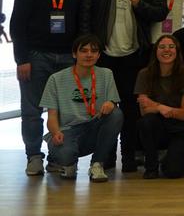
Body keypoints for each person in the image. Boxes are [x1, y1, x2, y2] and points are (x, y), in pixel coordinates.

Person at [81, 0, 167, 172]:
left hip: (134, 53)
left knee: (130, 108)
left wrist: (140, 5)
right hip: (104, 53)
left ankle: (127, 156)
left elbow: (161, 11)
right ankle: (106, 156)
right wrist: (88, 45)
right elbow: (86, 11)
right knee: (105, 106)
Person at [14, 0, 84, 177]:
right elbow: (17, 25)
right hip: (36, 57)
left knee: (65, 112)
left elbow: (80, 23)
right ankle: (33, 156)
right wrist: (21, 59)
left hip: (67, 58)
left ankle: (57, 157)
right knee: (33, 111)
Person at [39, 34, 122, 182]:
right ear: (74, 54)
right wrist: (56, 132)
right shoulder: (56, 79)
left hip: (93, 128)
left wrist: (111, 103)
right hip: (68, 131)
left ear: (98, 55)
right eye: (83, 50)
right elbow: (51, 117)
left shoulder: (106, 74)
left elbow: (112, 104)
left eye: (93, 51)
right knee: (66, 159)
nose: (89, 54)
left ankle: (97, 164)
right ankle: (60, 160)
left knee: (116, 114)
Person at [134, 34, 184, 179]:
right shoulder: (144, 74)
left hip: (180, 129)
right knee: (145, 122)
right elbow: (144, 111)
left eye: (171, 47)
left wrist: (156, 106)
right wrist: (162, 109)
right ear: (155, 52)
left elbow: (183, 114)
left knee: (174, 172)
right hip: (157, 126)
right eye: (162, 47)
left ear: (177, 51)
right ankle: (151, 166)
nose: (166, 50)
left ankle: (169, 156)